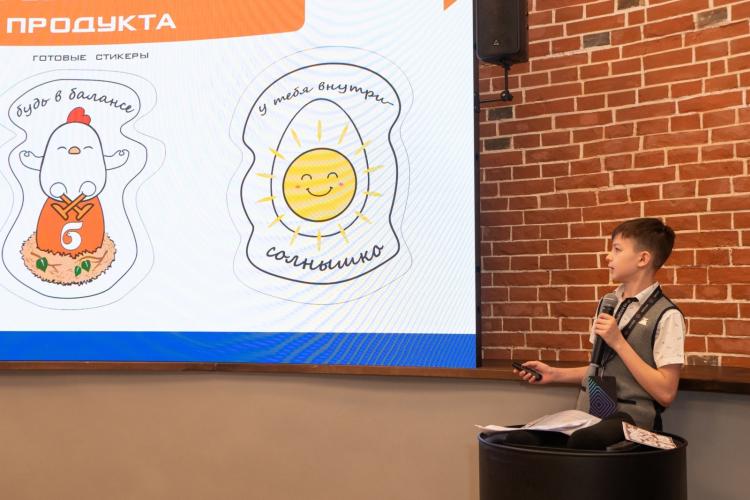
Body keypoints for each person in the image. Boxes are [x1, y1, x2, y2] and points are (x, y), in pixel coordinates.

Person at [511, 217, 685, 449]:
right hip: (592, 411)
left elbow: (666, 392)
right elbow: (603, 368)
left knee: (586, 441)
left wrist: (618, 342)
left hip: (632, 418)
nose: (608, 256)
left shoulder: (667, 315)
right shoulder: (607, 302)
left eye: (617, 249)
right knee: (519, 440)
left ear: (643, 259)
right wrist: (554, 374)